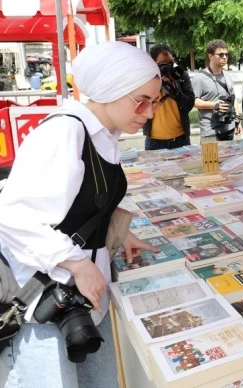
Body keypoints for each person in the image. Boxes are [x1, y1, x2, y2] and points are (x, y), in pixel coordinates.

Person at [0, 41, 161, 388]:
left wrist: (114, 229)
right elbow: (11, 214)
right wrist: (76, 263)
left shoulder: (105, 133)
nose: (149, 113)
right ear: (110, 90)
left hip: (83, 296)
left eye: (155, 101)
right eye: (141, 101)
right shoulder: (65, 132)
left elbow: (84, 199)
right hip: (44, 305)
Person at [143, 44, 195, 150]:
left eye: (170, 63)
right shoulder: (145, 78)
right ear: (153, 63)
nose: (167, 67)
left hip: (180, 140)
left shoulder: (180, 76)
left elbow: (189, 104)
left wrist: (173, 89)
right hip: (154, 142)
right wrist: (157, 83)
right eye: (163, 64)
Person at [192, 40, 241, 141]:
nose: (224, 57)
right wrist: (215, 105)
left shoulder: (228, 77)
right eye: (221, 54)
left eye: (226, 54)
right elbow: (194, 101)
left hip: (229, 128)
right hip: (210, 131)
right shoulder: (199, 78)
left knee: (229, 157)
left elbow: (233, 99)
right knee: (211, 157)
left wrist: (237, 121)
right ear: (210, 56)